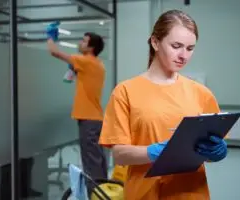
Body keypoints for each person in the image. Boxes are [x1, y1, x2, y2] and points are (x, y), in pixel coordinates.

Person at [98, 10, 228, 200]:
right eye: (176, 46)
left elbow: (205, 151)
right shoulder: (125, 91)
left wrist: (215, 152)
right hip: (145, 193)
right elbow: (119, 155)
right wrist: (154, 152)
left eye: (190, 48)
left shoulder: (201, 93)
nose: (183, 55)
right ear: (155, 42)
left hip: (191, 193)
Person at [45, 22, 108, 197]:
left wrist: (50, 37)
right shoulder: (96, 64)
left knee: (91, 162)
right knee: (98, 161)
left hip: (89, 119)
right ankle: (104, 193)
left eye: (84, 41)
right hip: (94, 118)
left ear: (91, 47)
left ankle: (96, 195)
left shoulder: (86, 61)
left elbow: (54, 52)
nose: (80, 43)